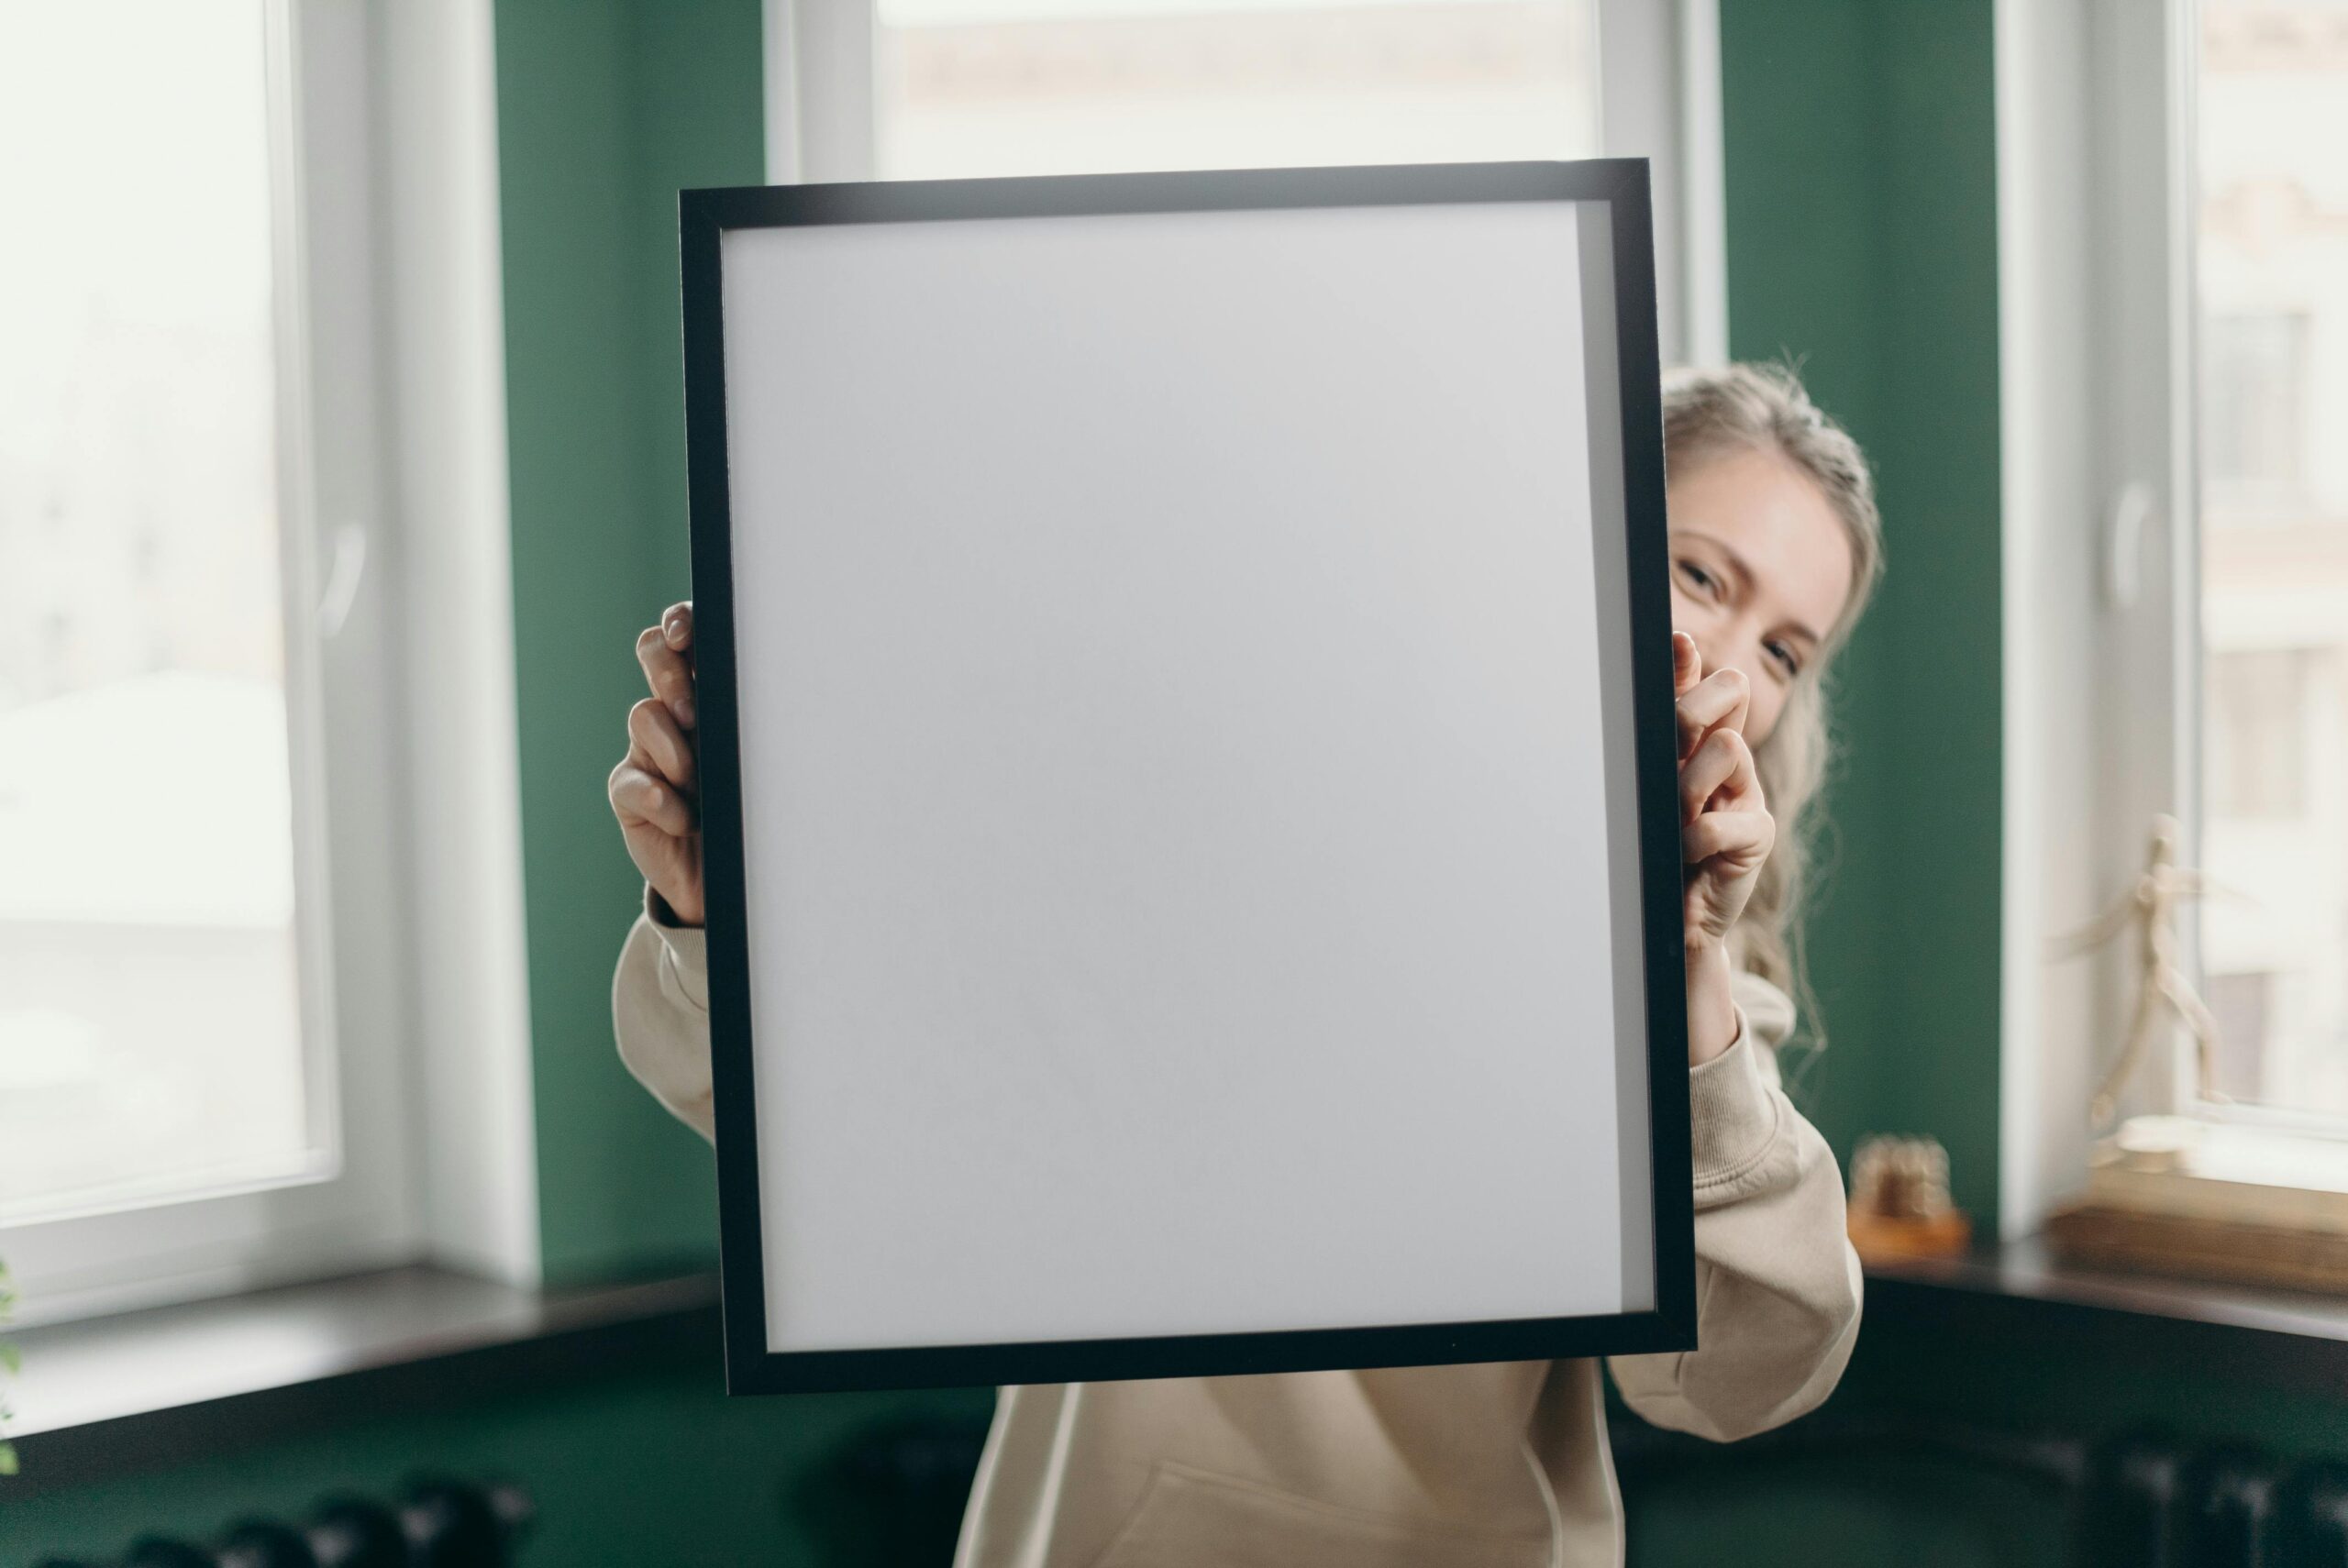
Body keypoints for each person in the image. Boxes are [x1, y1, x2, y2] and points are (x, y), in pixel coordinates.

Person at [608, 362, 1882, 1568]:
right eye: (1700, 574)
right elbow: (828, 1123)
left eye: (1786, 650)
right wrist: (732, 921)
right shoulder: (1179, 817)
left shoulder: (1709, 1015)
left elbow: (1743, 1376)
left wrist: (1682, 966)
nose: (1732, 660)